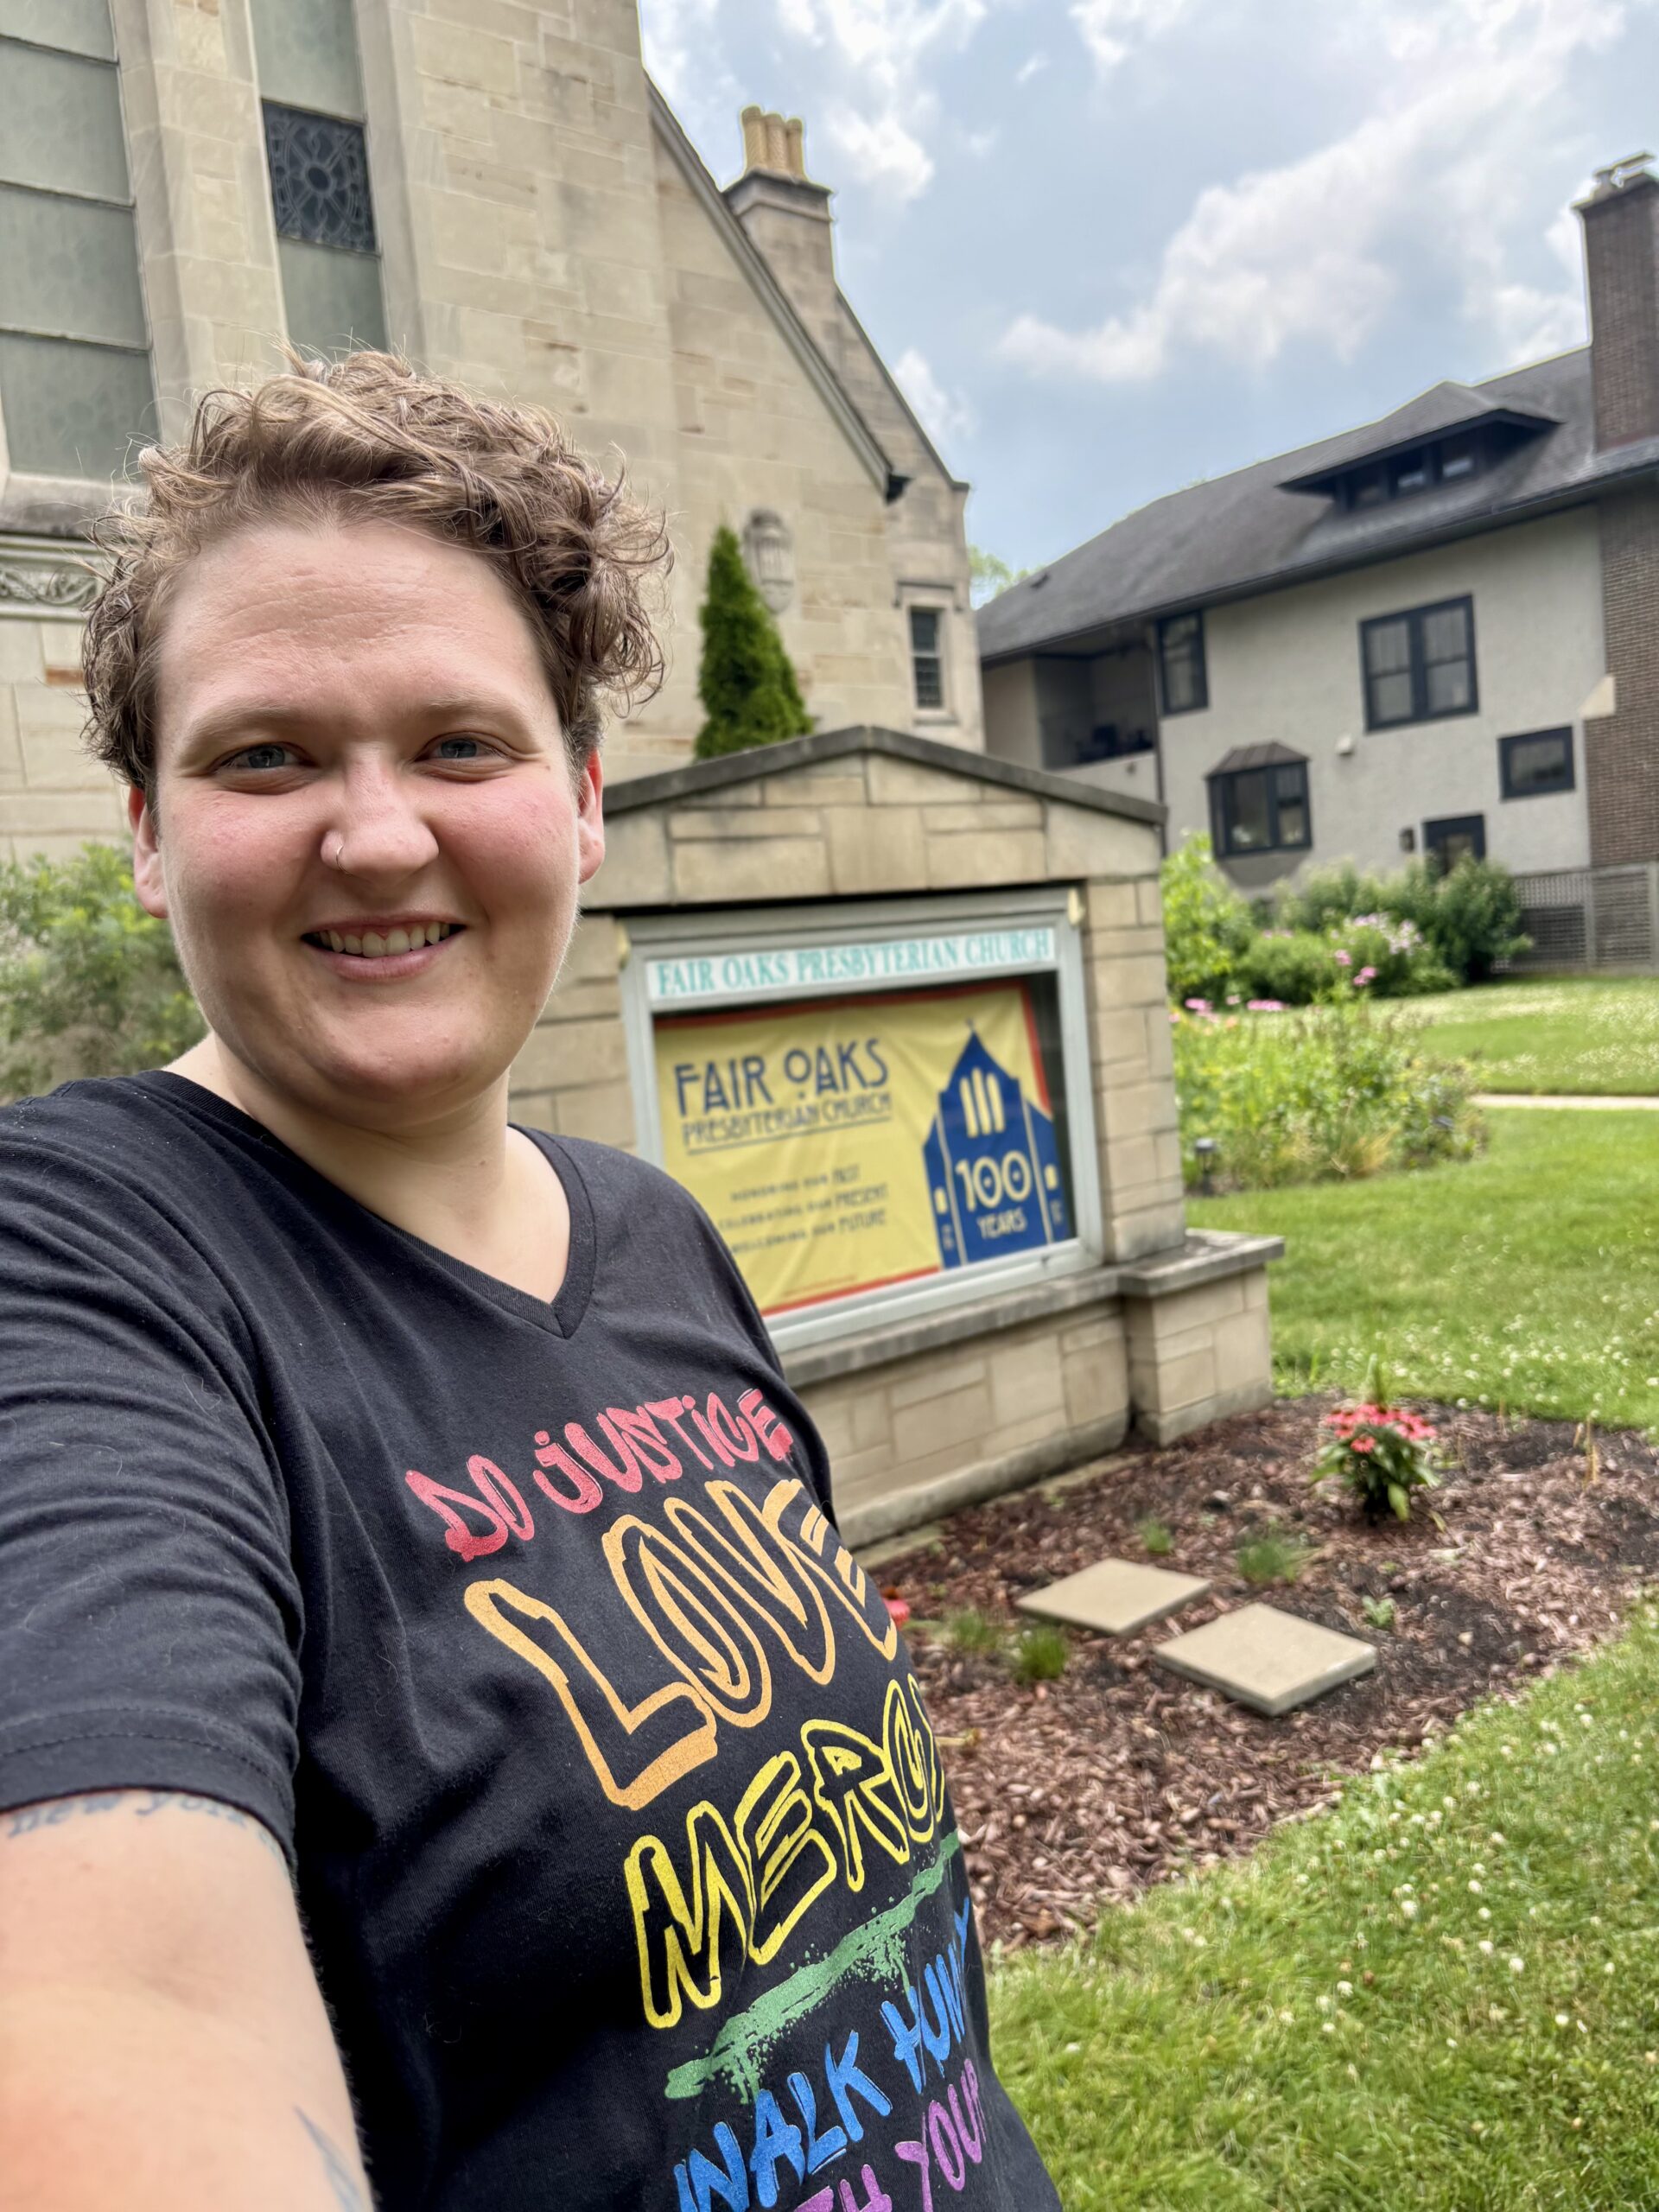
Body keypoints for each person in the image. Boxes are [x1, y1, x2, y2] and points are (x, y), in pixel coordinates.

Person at [0, 354, 1060, 2211]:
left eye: (458, 744)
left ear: (578, 801)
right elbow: (119, 2001)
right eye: (266, 754)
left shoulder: (652, 1230)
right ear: (151, 832)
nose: (380, 831)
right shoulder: (81, 1271)